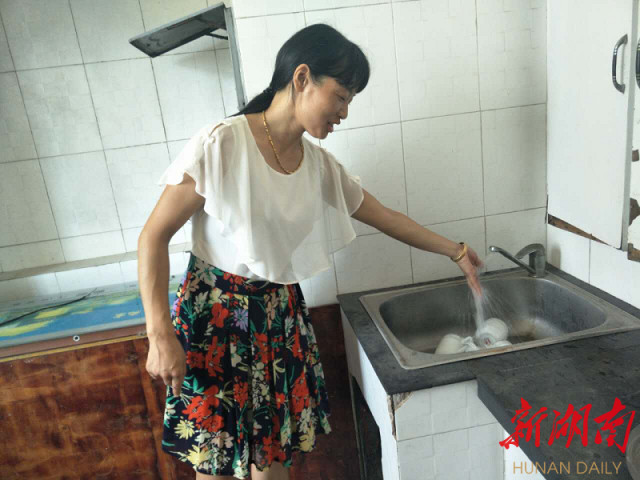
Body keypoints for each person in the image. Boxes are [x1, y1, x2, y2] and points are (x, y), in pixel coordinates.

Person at [138, 23, 482, 480]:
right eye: (341, 96)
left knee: (272, 463)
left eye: (350, 101)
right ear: (302, 78)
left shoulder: (318, 166)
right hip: (215, 321)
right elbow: (153, 236)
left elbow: (385, 216)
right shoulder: (221, 143)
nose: (344, 112)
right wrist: (159, 333)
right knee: (216, 464)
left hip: (278, 318)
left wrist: (456, 251)